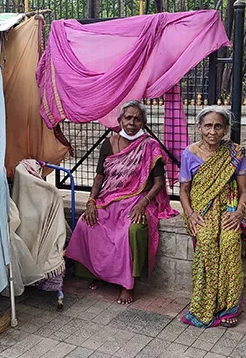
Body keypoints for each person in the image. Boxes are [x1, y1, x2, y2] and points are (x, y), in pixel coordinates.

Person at [66, 100, 177, 304]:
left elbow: (159, 182)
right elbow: (100, 177)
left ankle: (127, 283)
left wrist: (144, 203)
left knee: (129, 230)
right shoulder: (109, 143)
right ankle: (96, 273)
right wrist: (91, 201)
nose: (132, 122)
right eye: (128, 117)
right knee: (86, 223)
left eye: (137, 119)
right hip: (110, 198)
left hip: (139, 199)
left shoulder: (150, 146)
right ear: (120, 120)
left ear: (143, 122)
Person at [179, 106, 246, 328]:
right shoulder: (189, 153)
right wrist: (190, 214)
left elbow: (244, 191)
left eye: (218, 126)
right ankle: (205, 304)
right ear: (199, 127)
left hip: (230, 208)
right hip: (200, 209)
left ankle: (229, 307)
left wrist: (239, 212)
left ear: (225, 129)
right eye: (208, 126)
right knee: (208, 242)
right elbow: (184, 191)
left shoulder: (235, 153)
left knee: (230, 243)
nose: (212, 131)